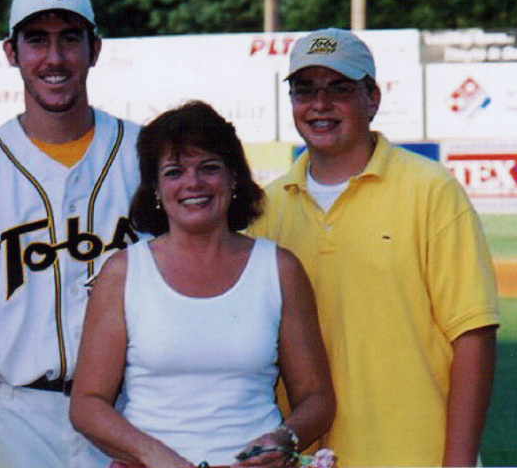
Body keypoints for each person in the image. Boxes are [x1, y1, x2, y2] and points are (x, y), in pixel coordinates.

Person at [250, 28, 500, 467]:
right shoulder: (267, 208)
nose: (319, 104)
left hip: (416, 454)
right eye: (304, 90)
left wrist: (457, 463)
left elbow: (473, 335)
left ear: (372, 98)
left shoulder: (430, 190)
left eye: (339, 89)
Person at [0, 0, 142, 468]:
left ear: (95, 49)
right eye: (37, 39)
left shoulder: (146, 153)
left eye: (70, 38)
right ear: (11, 51)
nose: (54, 58)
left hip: (131, 412)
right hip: (12, 418)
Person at [70, 101, 335, 468]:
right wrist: (156, 457)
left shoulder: (279, 269)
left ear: (234, 179)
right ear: (156, 190)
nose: (193, 183)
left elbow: (317, 399)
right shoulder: (123, 273)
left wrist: (284, 439)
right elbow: (87, 404)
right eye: (174, 172)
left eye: (209, 168)